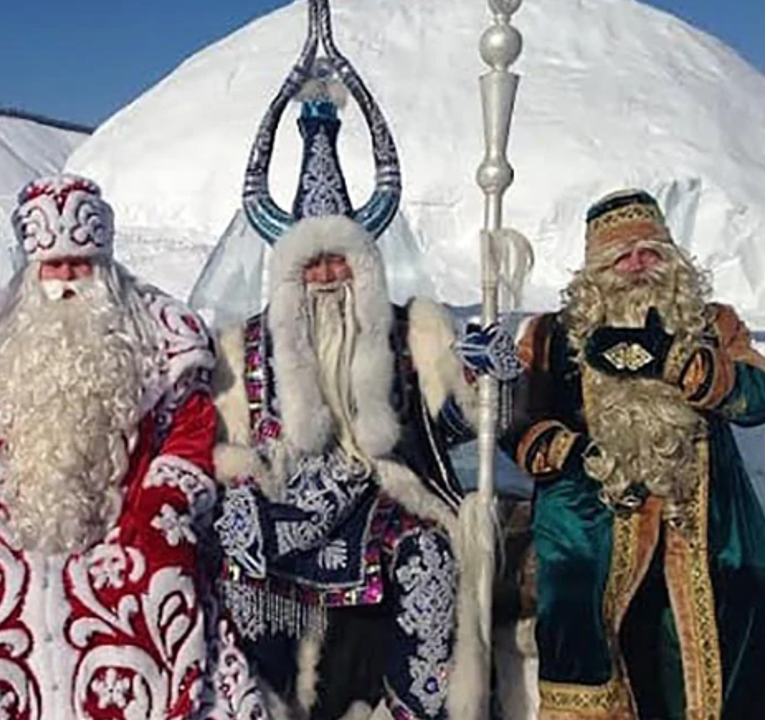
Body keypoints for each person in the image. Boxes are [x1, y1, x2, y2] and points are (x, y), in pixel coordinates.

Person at [201, 13, 518, 717]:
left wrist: (485, 382)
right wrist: (243, 493)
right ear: (287, 273)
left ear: (366, 266)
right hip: (280, 504)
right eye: (310, 263)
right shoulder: (244, 345)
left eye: (339, 259)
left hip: (382, 497)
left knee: (431, 561)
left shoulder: (412, 332)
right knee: (238, 568)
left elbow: (454, 429)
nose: (325, 276)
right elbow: (226, 447)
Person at [0, 173, 266, 720]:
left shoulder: (159, 333)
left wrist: (165, 504)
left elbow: (189, 431)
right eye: (52, 267)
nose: (63, 281)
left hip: (124, 512)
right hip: (9, 522)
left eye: (78, 266)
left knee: (154, 583)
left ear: (103, 264)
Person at [502, 189, 765, 720]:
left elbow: (762, 396)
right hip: (595, 521)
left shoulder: (712, 324)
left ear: (671, 256)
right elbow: (513, 419)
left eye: (649, 252)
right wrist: (572, 451)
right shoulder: (551, 335)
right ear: (596, 270)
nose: (637, 266)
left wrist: (686, 364)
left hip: (699, 523)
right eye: (621, 257)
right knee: (579, 601)